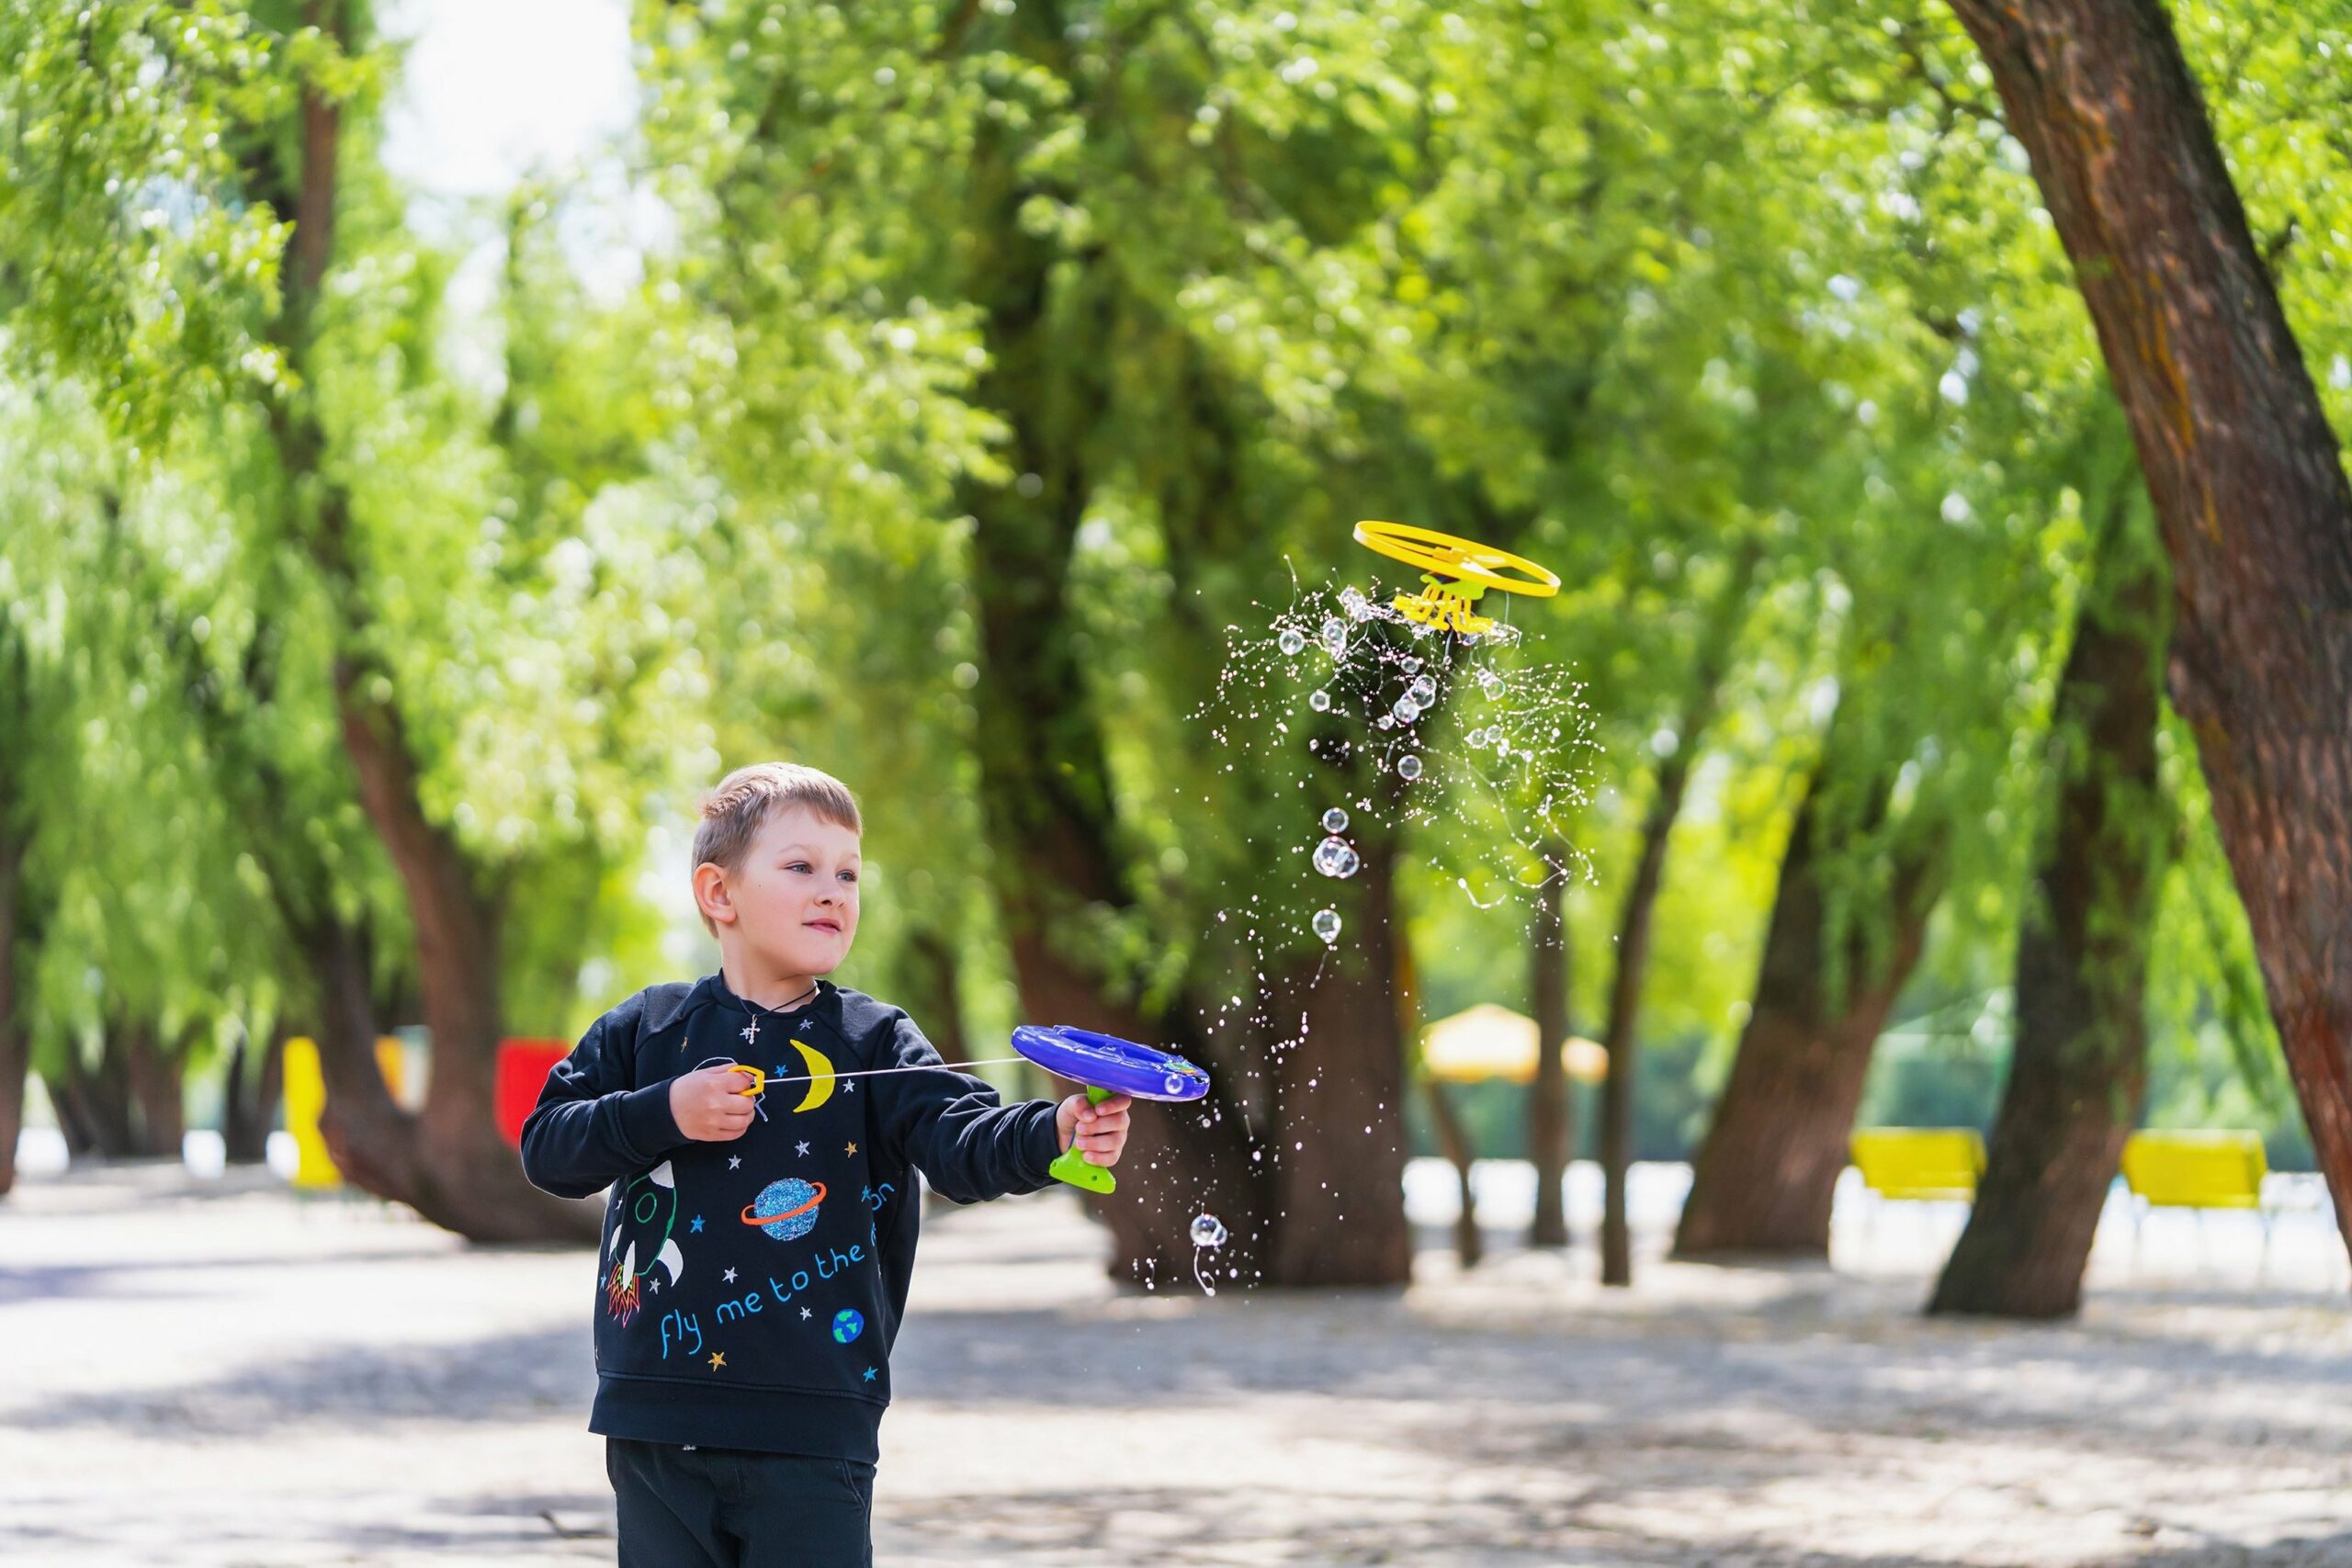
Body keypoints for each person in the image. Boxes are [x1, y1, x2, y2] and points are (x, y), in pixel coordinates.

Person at [520, 761, 1132, 1566]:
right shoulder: (647, 1029)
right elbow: (548, 1146)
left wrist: (1053, 1130)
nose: (833, 890)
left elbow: (959, 1141)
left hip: (817, 1419)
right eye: (801, 866)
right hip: (657, 1416)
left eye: (848, 873)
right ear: (720, 893)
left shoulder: (873, 1039)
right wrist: (663, 1111)